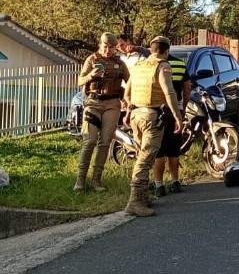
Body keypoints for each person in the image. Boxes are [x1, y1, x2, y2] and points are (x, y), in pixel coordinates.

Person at [122, 35, 182, 217]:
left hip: (136, 115)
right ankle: (134, 202)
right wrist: (177, 116)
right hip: (151, 116)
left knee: (142, 155)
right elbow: (169, 92)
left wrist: (129, 111)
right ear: (167, 51)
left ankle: (143, 197)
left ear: (151, 49)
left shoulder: (139, 66)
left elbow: (127, 94)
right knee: (146, 158)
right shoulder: (163, 66)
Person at [74, 33, 129, 192]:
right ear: (100, 45)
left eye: (111, 47)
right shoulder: (92, 59)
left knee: (105, 142)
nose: (108, 50)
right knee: (90, 140)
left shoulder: (119, 63)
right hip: (93, 103)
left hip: (112, 104)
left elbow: (129, 81)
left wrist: (127, 99)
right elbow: (79, 80)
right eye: (105, 47)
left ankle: (96, 180)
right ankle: (80, 180)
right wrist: (91, 75)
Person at [152, 50, 191, 196]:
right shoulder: (180, 64)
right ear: (167, 50)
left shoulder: (148, 65)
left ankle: (158, 185)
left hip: (156, 111)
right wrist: (183, 109)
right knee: (174, 149)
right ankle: (175, 182)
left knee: (159, 150)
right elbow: (187, 88)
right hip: (176, 111)